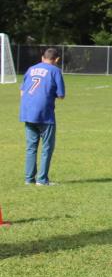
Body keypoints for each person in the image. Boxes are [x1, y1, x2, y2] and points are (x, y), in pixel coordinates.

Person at [20, 47, 66, 186]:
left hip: (27, 112)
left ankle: (29, 179)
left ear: (42, 58)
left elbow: (22, 91)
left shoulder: (31, 69)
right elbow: (61, 95)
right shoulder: (55, 71)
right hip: (44, 114)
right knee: (47, 147)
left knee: (31, 147)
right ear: (56, 59)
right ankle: (42, 180)